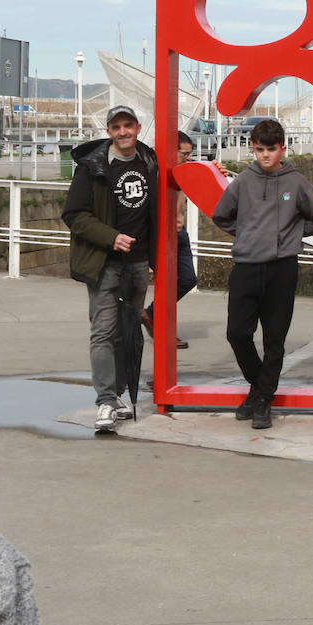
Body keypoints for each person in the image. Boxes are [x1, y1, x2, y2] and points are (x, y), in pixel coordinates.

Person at [212, 119, 313, 429]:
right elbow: (221, 215)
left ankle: (262, 400)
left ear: (283, 148)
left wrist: (289, 237)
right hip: (247, 265)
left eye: (271, 149)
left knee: (274, 339)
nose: (265, 155)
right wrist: (248, 234)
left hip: (282, 269)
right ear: (252, 149)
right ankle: (260, 386)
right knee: (237, 333)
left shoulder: (297, 182)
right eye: (260, 150)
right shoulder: (242, 182)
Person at [62, 104, 159, 433]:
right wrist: (111, 237)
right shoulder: (92, 167)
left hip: (139, 261)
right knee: (103, 330)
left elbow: (159, 208)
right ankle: (105, 400)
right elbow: (74, 215)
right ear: (108, 131)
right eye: (116, 127)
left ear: (138, 126)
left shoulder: (149, 161)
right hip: (105, 262)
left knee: (128, 331)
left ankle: (117, 393)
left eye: (128, 125)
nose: (123, 132)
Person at [142, 130, 198, 350]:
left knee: (187, 279)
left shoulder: (182, 171)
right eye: (185, 153)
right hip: (162, 235)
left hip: (179, 232)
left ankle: (150, 315)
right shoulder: (153, 173)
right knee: (165, 283)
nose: (188, 158)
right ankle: (161, 329)